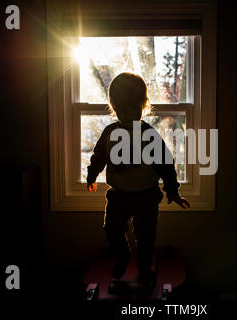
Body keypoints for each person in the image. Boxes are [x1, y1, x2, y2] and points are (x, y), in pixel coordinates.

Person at [86, 72, 190, 284]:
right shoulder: (110, 133)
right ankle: (123, 255)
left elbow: (165, 165)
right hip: (118, 196)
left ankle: (144, 267)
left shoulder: (148, 135)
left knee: (146, 236)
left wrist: (172, 191)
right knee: (112, 229)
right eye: (121, 109)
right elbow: (98, 157)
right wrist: (91, 175)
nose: (126, 114)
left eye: (132, 108)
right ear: (114, 108)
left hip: (146, 196)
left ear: (143, 105)